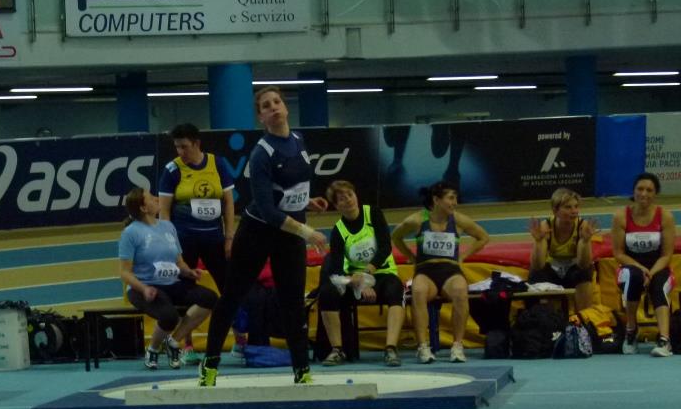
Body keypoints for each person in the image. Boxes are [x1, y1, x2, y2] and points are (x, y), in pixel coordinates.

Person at [198, 86, 329, 387]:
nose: (274, 108)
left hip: (289, 234)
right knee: (232, 297)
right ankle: (210, 365)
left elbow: (288, 189)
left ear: (285, 107)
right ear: (261, 117)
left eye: (277, 102)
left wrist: (306, 202)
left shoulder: (299, 140)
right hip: (257, 232)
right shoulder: (260, 154)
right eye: (266, 106)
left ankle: (302, 371)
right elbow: (268, 211)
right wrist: (308, 232)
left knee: (293, 303)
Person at [158, 123, 235, 364]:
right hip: (184, 240)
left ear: (196, 143)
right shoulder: (172, 170)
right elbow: (164, 212)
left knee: (230, 289)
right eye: (177, 147)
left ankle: (241, 340)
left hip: (215, 239)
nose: (180, 152)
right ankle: (186, 345)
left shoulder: (217, 164)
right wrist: (171, 245)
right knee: (187, 292)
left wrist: (229, 237)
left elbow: (228, 203)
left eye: (184, 146)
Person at [118, 187, 218, 370]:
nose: (157, 199)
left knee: (209, 298)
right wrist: (144, 288)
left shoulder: (168, 227)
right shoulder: (131, 233)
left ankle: (173, 341)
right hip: (145, 287)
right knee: (169, 316)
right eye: (151, 198)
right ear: (143, 208)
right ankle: (153, 349)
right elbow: (125, 272)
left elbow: (178, 261)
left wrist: (189, 272)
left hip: (172, 283)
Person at [391, 181, 489, 363]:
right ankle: (423, 347)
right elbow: (396, 237)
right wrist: (411, 257)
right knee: (418, 291)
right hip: (425, 271)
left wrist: (463, 257)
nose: (455, 203)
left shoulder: (458, 220)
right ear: (436, 200)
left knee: (460, 290)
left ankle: (457, 346)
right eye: (451, 198)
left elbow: (483, 237)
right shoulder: (417, 220)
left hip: (450, 271)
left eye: (456, 198)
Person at [318, 180, 406, 367]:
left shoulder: (373, 213)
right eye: (342, 199)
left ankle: (390, 348)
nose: (348, 200)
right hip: (354, 281)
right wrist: (357, 283)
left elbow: (385, 247)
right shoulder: (338, 231)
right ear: (337, 206)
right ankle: (337, 350)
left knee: (395, 289)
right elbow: (336, 270)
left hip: (381, 273)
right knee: (327, 293)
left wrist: (366, 277)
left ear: (356, 195)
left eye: (350, 195)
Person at [611, 172, 675, 356]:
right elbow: (618, 253)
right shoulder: (621, 216)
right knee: (634, 277)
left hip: (659, 267)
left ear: (655, 194)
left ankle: (664, 340)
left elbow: (667, 255)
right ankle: (631, 331)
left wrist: (651, 273)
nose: (644, 193)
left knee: (658, 285)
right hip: (629, 268)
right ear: (633, 191)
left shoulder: (665, 217)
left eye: (649, 190)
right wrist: (640, 268)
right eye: (640, 189)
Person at [527, 187, 597, 312]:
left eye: (576, 206)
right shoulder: (546, 227)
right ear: (555, 210)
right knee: (535, 273)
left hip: (573, 270)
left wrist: (585, 241)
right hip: (552, 271)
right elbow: (538, 265)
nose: (574, 211)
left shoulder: (582, 226)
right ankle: (543, 317)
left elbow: (583, 264)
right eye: (568, 207)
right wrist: (538, 242)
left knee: (585, 271)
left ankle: (584, 317)